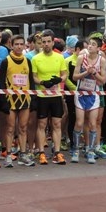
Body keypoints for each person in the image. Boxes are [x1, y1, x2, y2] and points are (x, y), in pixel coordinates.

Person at [30, 30, 69, 165]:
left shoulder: (59, 57)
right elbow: (33, 77)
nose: (46, 44)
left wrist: (59, 79)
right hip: (42, 95)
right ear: (41, 44)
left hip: (56, 94)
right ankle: (41, 152)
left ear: (53, 42)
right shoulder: (36, 58)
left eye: (48, 42)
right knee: (42, 124)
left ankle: (57, 152)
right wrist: (42, 82)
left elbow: (65, 74)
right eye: (43, 42)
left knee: (57, 124)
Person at [0, 34, 35, 167]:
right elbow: (1, 82)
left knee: (23, 128)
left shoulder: (27, 61)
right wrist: (3, 101)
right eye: (16, 44)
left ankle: (23, 155)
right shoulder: (6, 61)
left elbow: (31, 81)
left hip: (25, 99)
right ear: (11, 45)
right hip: (10, 100)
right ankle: (8, 155)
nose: (19, 47)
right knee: (10, 128)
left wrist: (34, 98)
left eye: (21, 44)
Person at [72, 34, 106, 164]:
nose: (90, 46)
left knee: (93, 123)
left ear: (98, 48)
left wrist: (94, 73)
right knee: (80, 122)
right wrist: (86, 72)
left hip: (94, 94)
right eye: (89, 44)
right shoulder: (81, 58)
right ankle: (76, 149)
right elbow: (74, 77)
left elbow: (102, 81)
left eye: (93, 44)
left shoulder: (101, 60)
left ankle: (90, 150)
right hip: (81, 94)